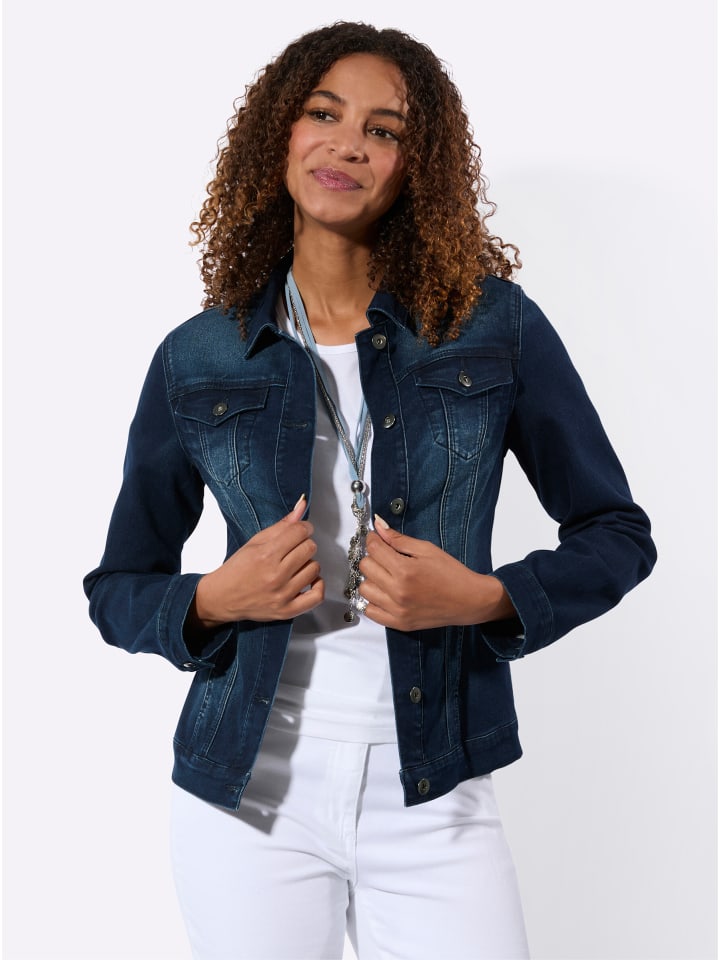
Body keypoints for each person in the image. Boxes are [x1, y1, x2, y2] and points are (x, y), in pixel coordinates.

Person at [84, 21, 656, 960]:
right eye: (324, 114)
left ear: (414, 166)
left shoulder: (492, 328)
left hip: (435, 785)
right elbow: (118, 587)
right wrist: (212, 599)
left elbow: (616, 531)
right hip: (247, 796)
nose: (348, 144)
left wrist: (485, 598)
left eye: (383, 130)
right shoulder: (199, 356)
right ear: (279, 135)